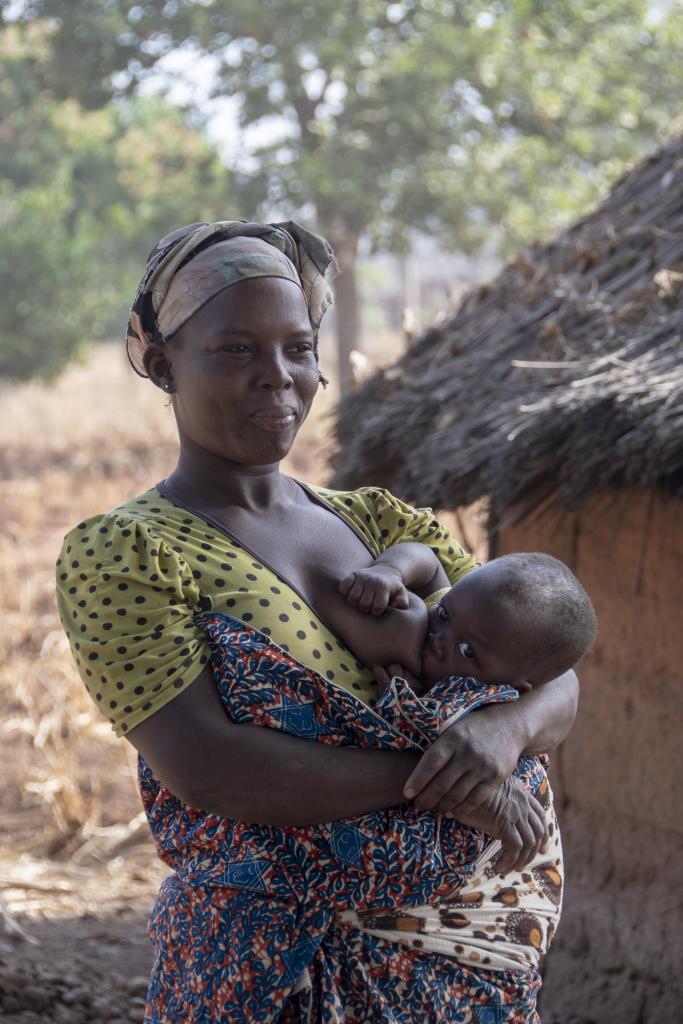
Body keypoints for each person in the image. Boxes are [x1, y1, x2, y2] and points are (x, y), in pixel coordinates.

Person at [55, 219, 580, 1023]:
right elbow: (210, 770)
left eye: (297, 348)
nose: (278, 378)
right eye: (236, 350)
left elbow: (547, 668)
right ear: (162, 364)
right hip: (270, 973)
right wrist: (454, 789)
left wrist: (499, 737)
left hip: (466, 962)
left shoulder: (381, 524)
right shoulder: (127, 553)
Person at [332, 545, 597, 695]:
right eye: (444, 615)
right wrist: (391, 570)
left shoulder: (479, 716)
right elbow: (427, 558)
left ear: (511, 689)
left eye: (467, 650)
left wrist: (411, 705)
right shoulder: (460, 609)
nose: (437, 639)